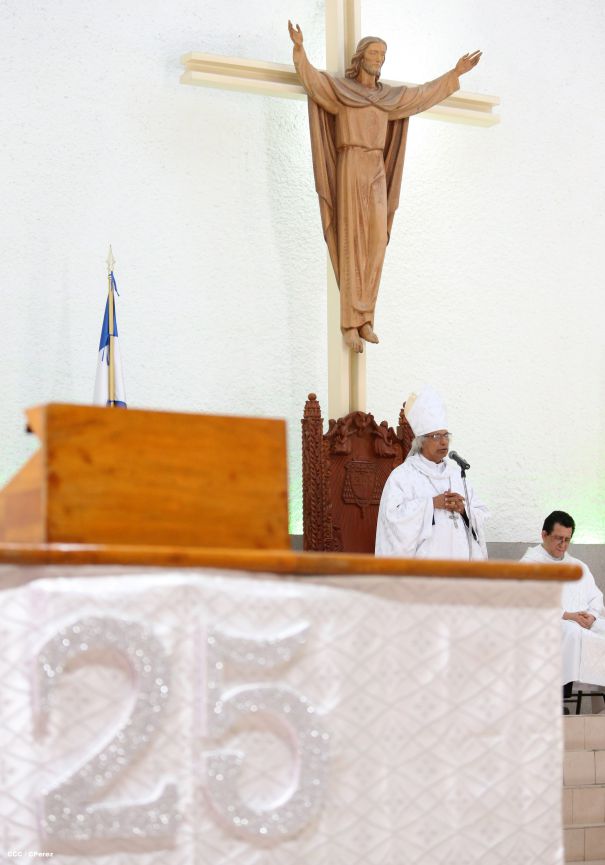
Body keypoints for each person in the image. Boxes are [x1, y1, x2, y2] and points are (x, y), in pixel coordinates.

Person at [288, 21, 481, 353]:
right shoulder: (342, 92)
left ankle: (366, 318)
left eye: (383, 54)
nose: (379, 58)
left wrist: (454, 74)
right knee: (352, 240)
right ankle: (350, 323)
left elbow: (423, 95)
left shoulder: (389, 98)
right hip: (350, 164)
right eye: (374, 52)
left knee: (376, 240)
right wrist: (300, 49)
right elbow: (314, 81)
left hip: (376, 168)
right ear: (361, 56)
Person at [375, 386, 489, 559]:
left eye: (446, 436)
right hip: (425, 569)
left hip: (461, 563)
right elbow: (392, 520)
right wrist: (431, 504)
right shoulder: (403, 476)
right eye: (436, 437)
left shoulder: (457, 473)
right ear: (421, 442)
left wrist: (463, 510)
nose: (444, 442)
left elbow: (481, 512)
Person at [521, 511, 605, 691]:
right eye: (558, 538)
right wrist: (567, 615)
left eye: (567, 540)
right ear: (544, 534)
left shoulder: (578, 566)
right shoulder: (528, 565)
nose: (563, 545)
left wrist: (592, 616)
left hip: (581, 622)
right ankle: (560, 693)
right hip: (545, 626)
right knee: (572, 631)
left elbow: (595, 597)